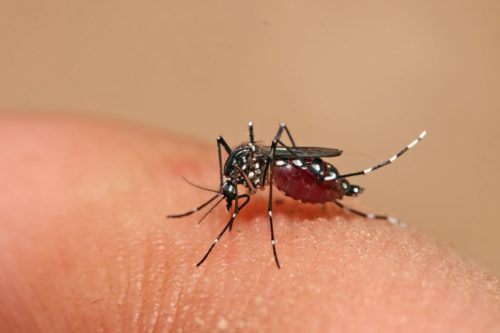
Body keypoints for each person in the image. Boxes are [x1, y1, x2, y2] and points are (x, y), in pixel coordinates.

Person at [1, 115, 498, 332]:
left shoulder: (251, 173)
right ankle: (338, 191)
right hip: (275, 167)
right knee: (262, 154)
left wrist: (273, 211)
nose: (231, 198)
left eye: (228, 196)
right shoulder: (238, 174)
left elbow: (256, 174)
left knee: (275, 149)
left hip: (288, 166)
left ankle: (341, 192)